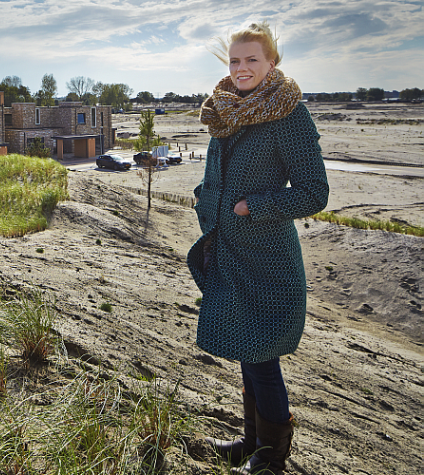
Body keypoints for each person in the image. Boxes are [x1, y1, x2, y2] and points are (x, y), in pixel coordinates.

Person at [186, 22, 329, 475]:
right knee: (248, 351)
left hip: (267, 259)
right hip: (228, 251)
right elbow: (223, 173)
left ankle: (272, 455)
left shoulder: (288, 115)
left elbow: (314, 193)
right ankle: (251, 442)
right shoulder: (225, 112)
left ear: (271, 64)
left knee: (262, 357)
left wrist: (255, 206)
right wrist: (205, 194)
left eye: (252, 59)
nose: (241, 68)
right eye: (234, 60)